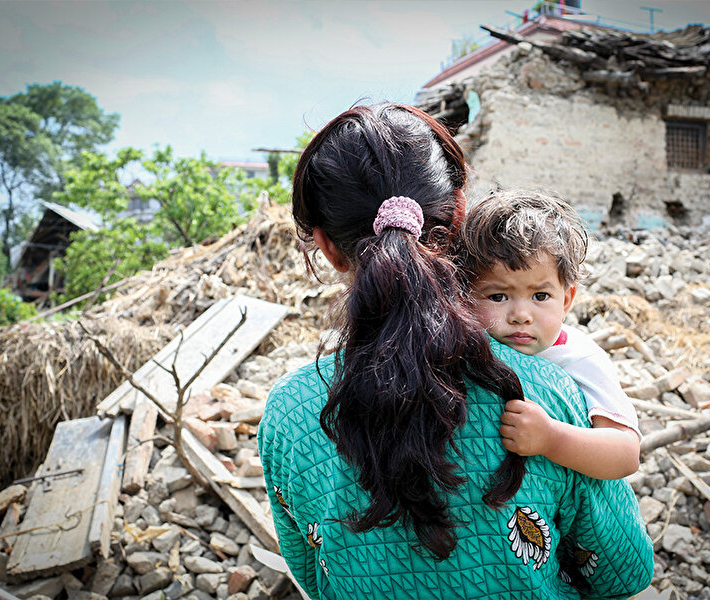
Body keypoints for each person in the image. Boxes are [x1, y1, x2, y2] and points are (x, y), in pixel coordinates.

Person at [257, 103, 653, 600]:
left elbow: (314, 575)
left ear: (326, 246)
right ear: (459, 217)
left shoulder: (289, 414)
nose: (522, 312)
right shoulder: (543, 395)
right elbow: (623, 570)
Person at [458, 189, 642, 481]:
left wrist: (552, 439)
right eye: (497, 297)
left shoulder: (579, 358)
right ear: (465, 296)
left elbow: (626, 454)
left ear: (566, 301)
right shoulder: (459, 349)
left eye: (540, 296)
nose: (521, 315)